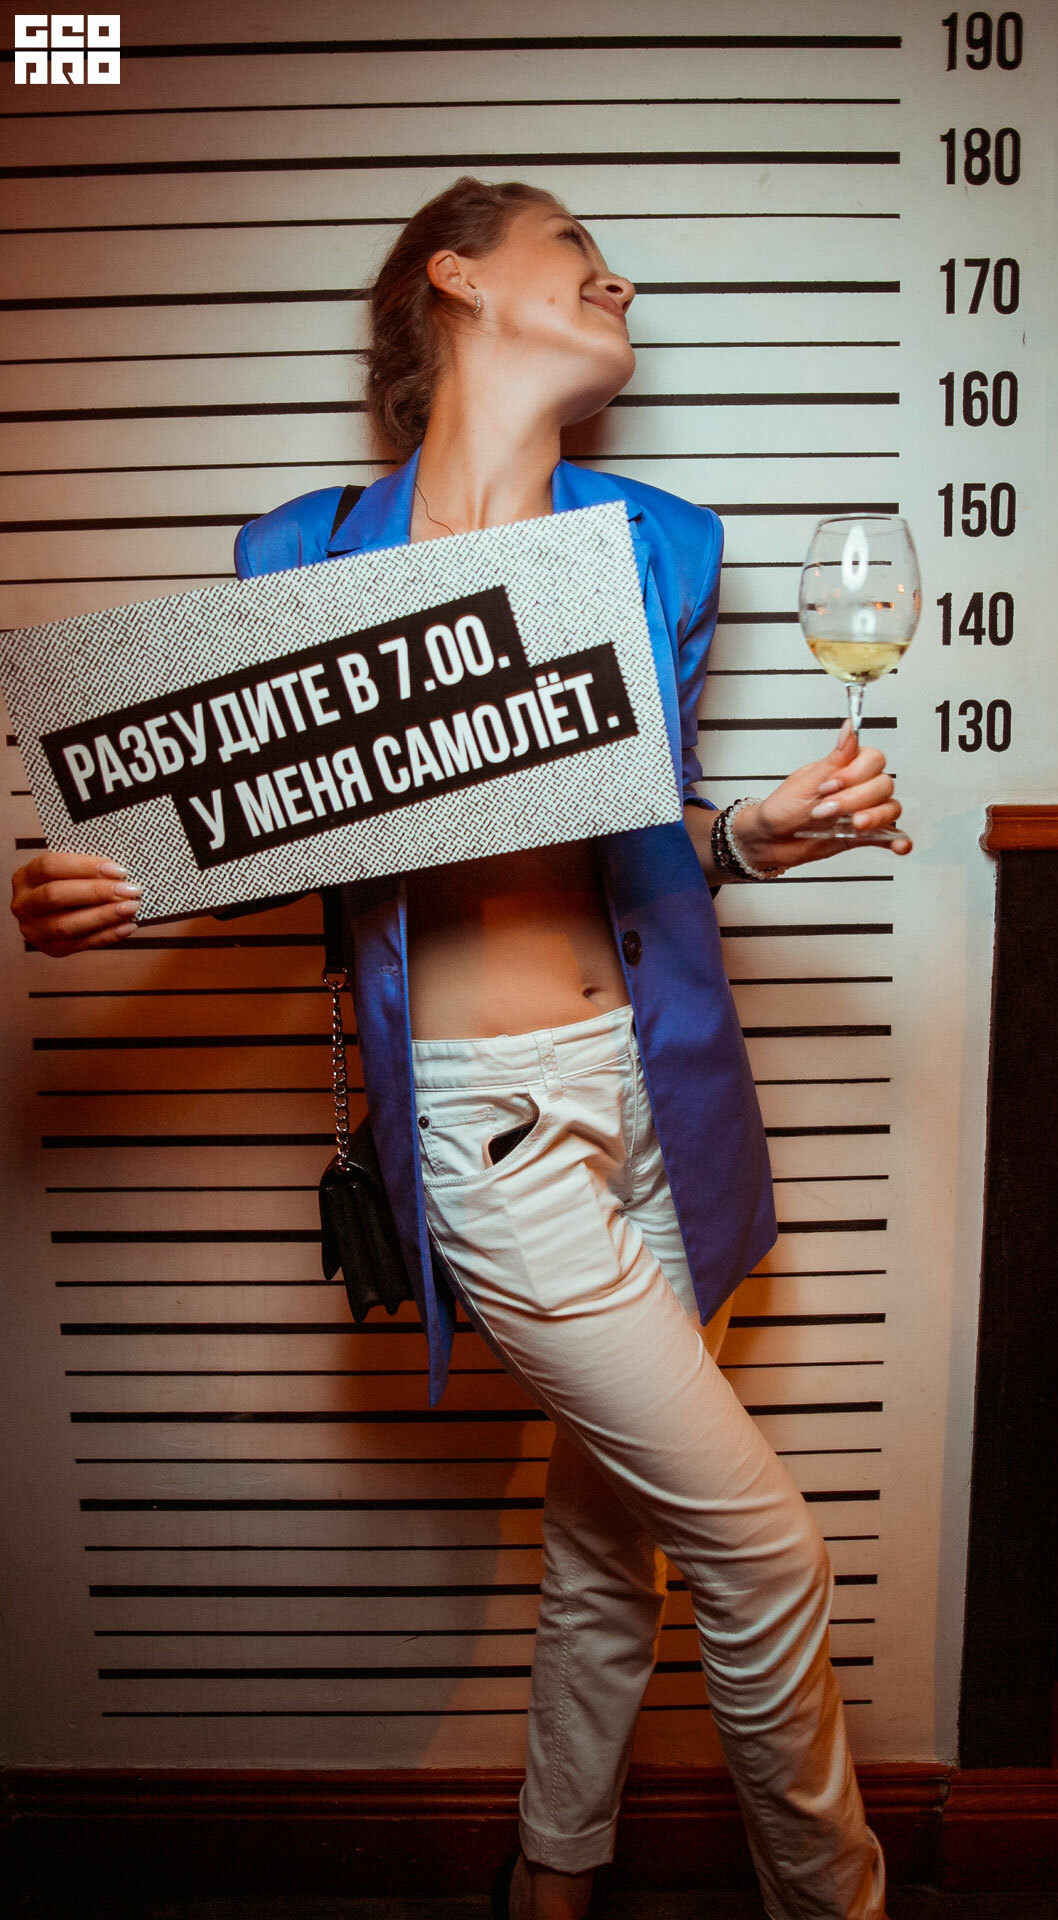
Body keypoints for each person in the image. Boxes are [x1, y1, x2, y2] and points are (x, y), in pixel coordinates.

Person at [10, 178, 908, 1920]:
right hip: (492, 1133)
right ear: (460, 278)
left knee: (609, 1544)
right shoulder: (299, 555)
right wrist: (107, 888)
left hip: (668, 1096)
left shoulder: (662, 542)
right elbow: (253, 819)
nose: (619, 283)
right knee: (766, 1551)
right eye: (583, 256)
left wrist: (754, 836)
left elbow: (639, 836)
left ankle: (548, 1880)